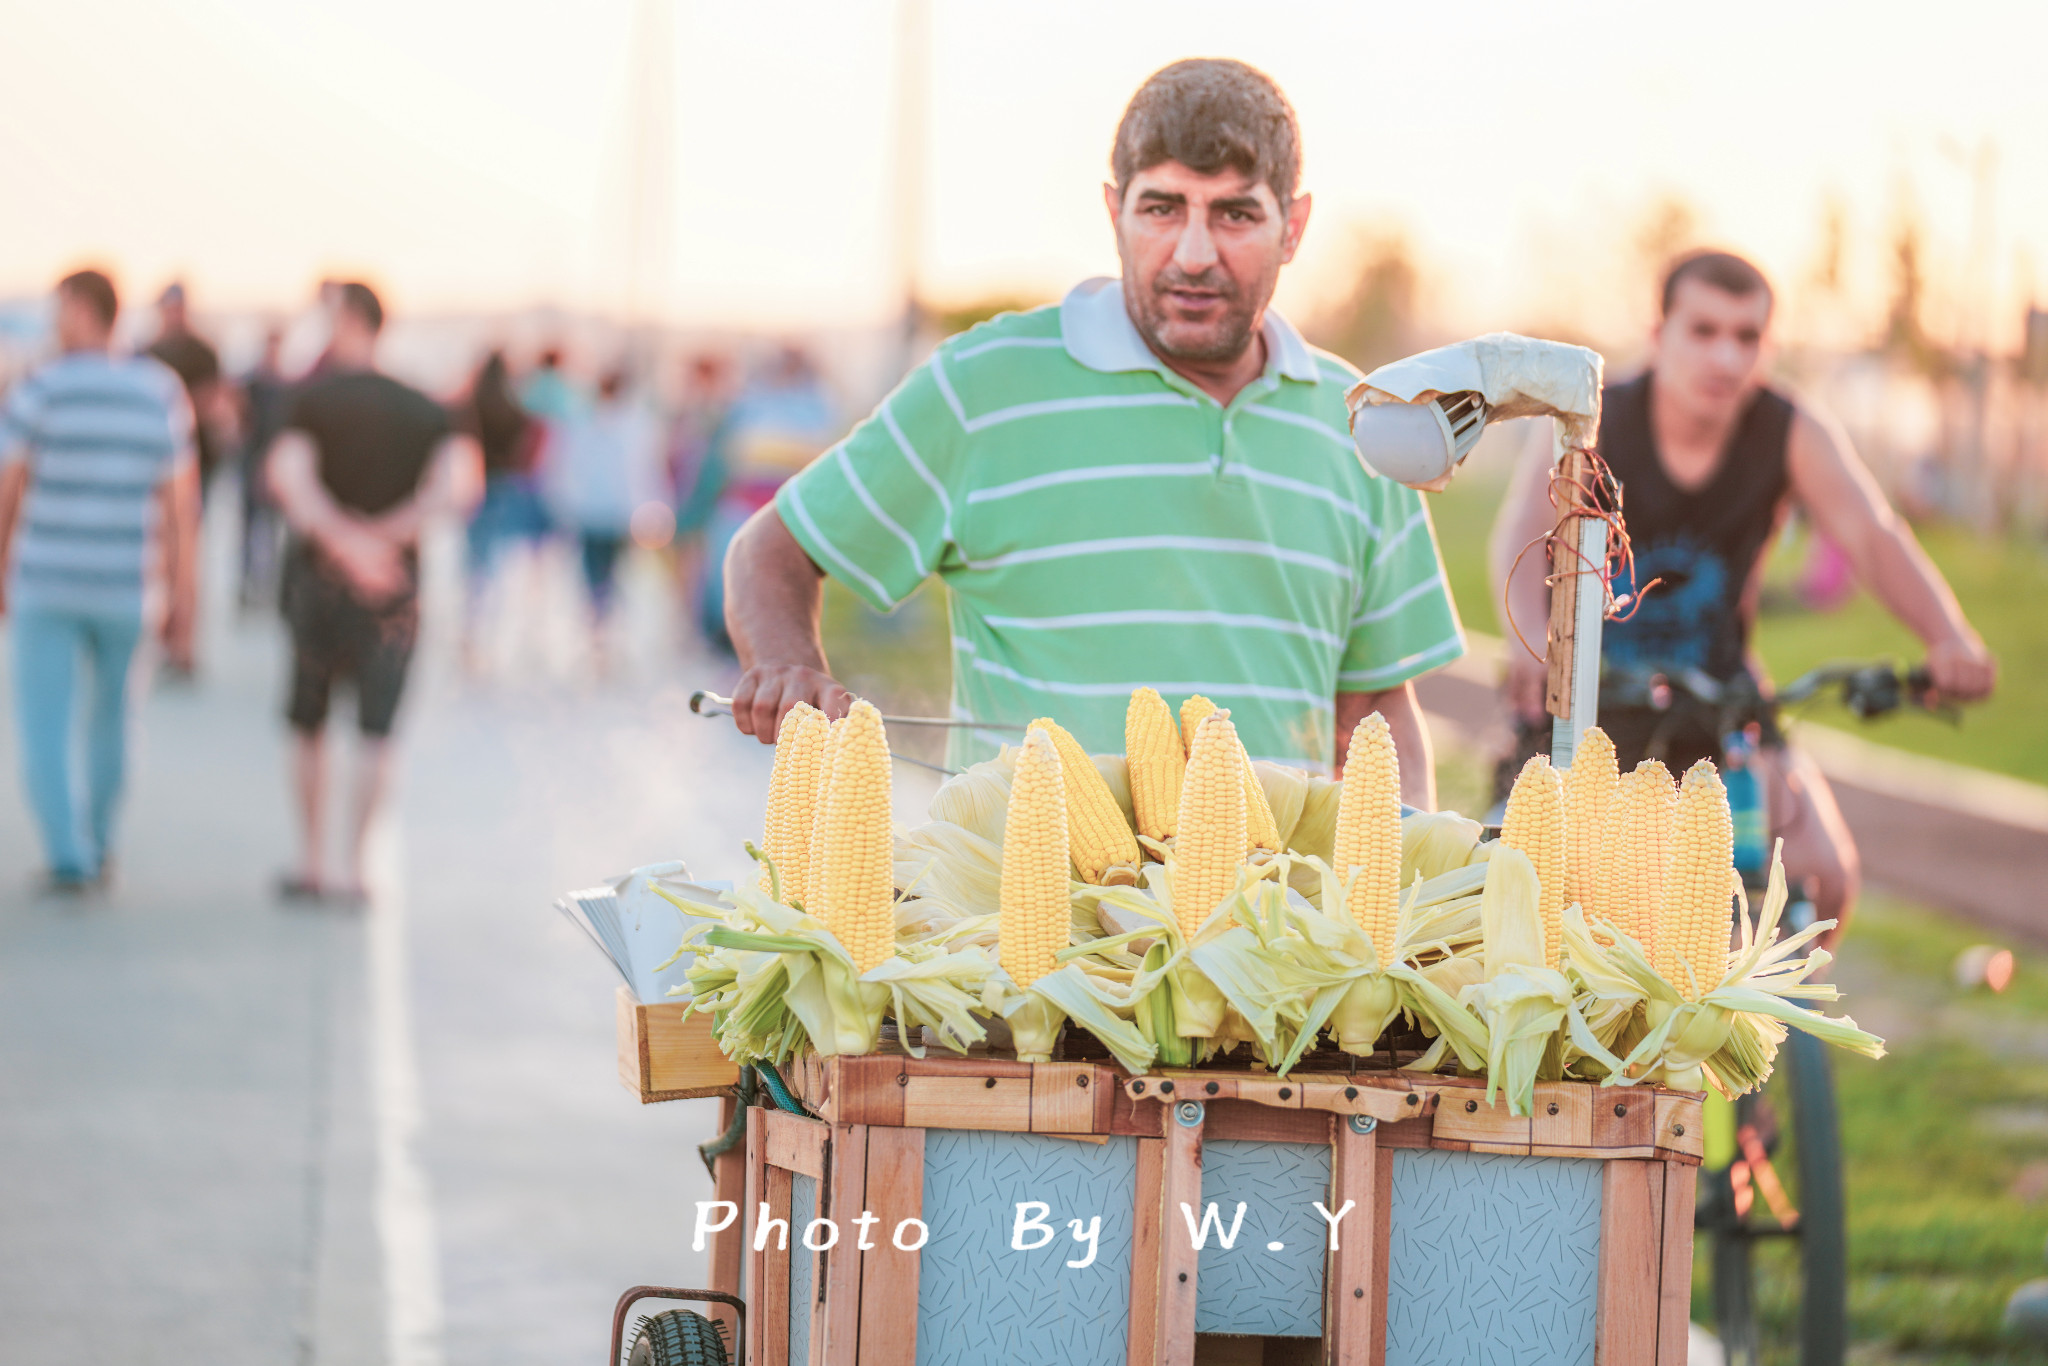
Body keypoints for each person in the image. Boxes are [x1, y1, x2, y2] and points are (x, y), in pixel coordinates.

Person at [722, 59, 1463, 800]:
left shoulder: (1362, 425)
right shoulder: (987, 386)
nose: (1194, 254)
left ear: (1293, 227)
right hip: (1027, 912)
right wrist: (790, 666)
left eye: (1235, 214)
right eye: (1162, 209)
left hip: (1276, 914)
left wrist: (1400, 881)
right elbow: (772, 548)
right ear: (1114, 212)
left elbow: (1374, 710)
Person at [1488, 249, 1997, 936]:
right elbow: (1523, 536)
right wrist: (1527, 640)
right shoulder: (1596, 419)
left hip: (1721, 699)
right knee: (1550, 902)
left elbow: (1872, 535)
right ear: (1658, 334)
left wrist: (1949, 637)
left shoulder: (1789, 429)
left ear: (1768, 347)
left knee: (1824, 874)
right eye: (1703, 331)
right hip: (1590, 698)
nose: (1726, 358)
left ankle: (1760, 1034)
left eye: (1746, 336)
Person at [266, 283, 481, 901]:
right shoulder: (424, 407)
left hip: (318, 581)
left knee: (309, 720)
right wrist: (386, 541)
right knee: (377, 729)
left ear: (349, 319)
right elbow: (458, 486)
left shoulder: (309, 399)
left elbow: (291, 479)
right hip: (396, 589)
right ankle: (357, 866)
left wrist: (344, 541)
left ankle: (311, 862)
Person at [0, 269, 200, 891]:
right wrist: (182, 596)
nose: (54, 321)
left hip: (48, 583)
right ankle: (101, 841)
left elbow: (8, 490)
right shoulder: (159, 392)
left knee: (44, 724)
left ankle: (69, 855)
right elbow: (178, 510)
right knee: (113, 718)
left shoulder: (40, 388)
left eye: (60, 308)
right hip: (124, 585)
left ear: (86, 311)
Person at [698, 345, 838, 651]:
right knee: (730, 572)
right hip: (745, 500)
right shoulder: (751, 401)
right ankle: (727, 641)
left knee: (785, 581)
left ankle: (781, 646)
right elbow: (727, 453)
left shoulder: (816, 404)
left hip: (789, 505)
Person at [548, 367, 659, 667]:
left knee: (596, 575)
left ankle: (600, 632)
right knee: (614, 575)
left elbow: (565, 467)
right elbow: (643, 473)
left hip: (595, 512)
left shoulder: (584, 422)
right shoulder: (633, 424)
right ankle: (604, 634)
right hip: (616, 513)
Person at [455, 348, 543, 662]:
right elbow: (524, 450)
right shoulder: (513, 407)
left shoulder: (471, 405)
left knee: (472, 559)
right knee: (492, 563)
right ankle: (484, 631)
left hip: (474, 485)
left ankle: (470, 625)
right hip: (503, 487)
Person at [667, 352, 734, 638]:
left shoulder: (718, 413)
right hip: (688, 494)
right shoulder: (689, 411)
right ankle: (688, 625)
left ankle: (696, 625)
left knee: (702, 564)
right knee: (688, 563)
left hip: (706, 495)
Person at [147, 282, 231, 501]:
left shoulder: (202, 352)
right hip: (159, 450)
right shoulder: (152, 352)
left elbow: (212, 397)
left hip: (198, 448)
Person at [236, 326, 293, 608]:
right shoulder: (252, 382)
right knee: (248, 528)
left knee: (272, 529)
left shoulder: (285, 384)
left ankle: (269, 587)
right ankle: (247, 584)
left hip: (273, 466)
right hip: (250, 461)